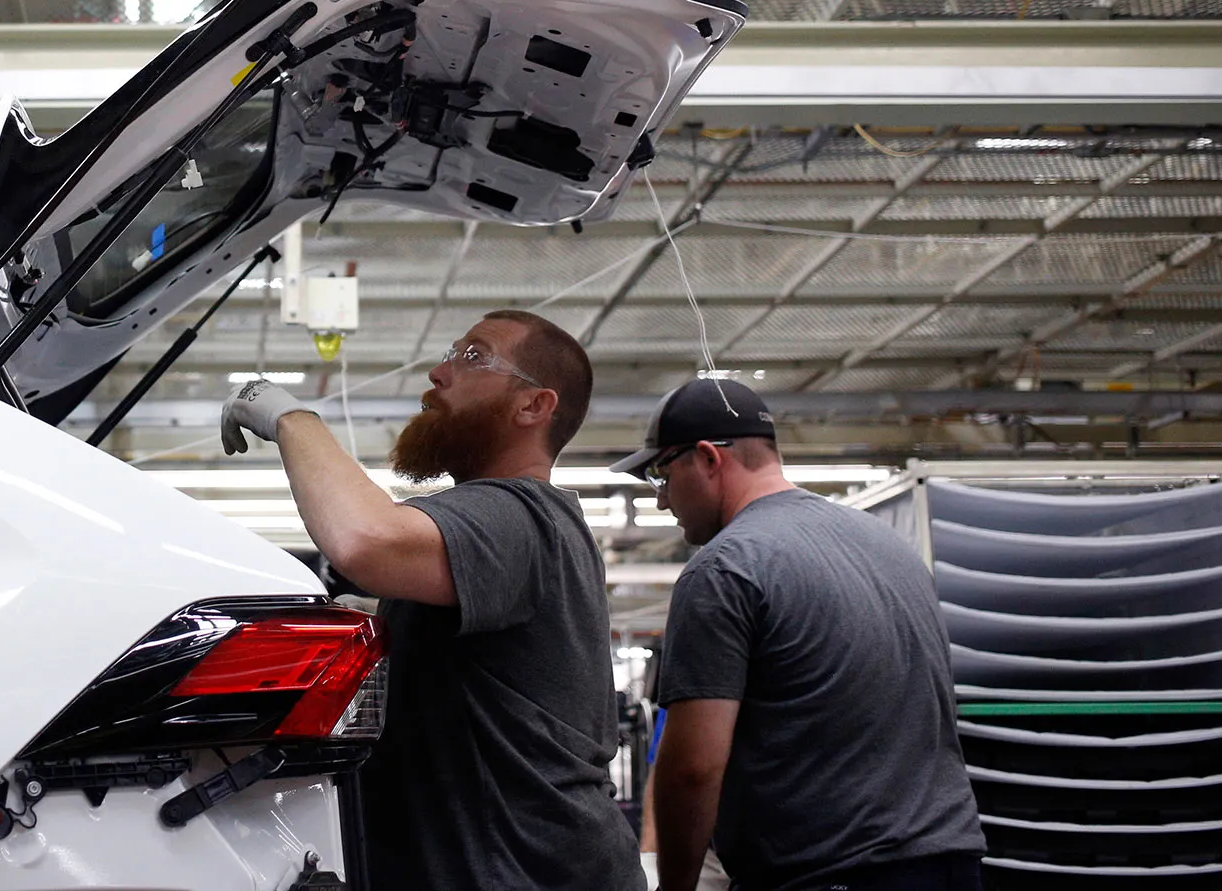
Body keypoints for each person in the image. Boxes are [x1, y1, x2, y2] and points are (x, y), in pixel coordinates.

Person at [220, 308, 641, 891]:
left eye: (472, 357)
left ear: (534, 406)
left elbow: (366, 540)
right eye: (449, 352)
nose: (439, 372)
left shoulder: (517, 514)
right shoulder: (515, 530)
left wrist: (290, 417)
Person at [618, 379, 984, 891]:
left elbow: (693, 768)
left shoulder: (724, 570)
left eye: (661, 474)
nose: (661, 501)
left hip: (824, 874)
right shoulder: (889, 546)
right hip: (948, 865)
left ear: (707, 458)